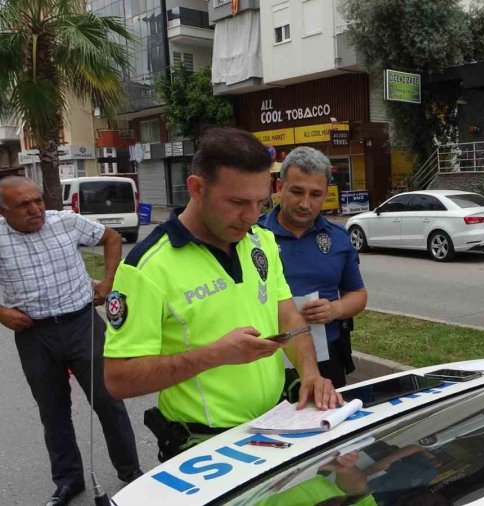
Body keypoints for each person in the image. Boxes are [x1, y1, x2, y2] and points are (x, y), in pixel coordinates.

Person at [103, 128, 341, 461]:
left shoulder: (260, 240)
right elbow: (118, 380)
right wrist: (214, 355)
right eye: (237, 202)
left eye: (261, 202)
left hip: (277, 424)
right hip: (205, 445)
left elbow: (287, 314)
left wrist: (311, 373)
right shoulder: (146, 268)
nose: (251, 216)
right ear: (196, 188)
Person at [0, 176, 142, 506]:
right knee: (53, 411)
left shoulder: (65, 222)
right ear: (3, 211)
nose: (35, 209)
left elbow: (111, 237)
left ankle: (130, 471)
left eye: (37, 200)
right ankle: (68, 481)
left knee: (108, 400)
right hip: (34, 335)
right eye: (23, 205)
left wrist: (108, 281)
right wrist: (1, 312)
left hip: (82, 324)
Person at [259, 146, 367, 388]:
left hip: (326, 356)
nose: (305, 203)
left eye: (316, 194)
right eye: (297, 191)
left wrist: (335, 309)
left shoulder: (338, 239)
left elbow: (358, 294)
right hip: (266, 358)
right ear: (279, 187)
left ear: (326, 193)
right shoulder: (253, 236)